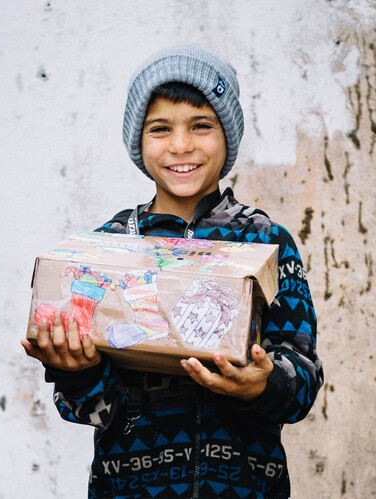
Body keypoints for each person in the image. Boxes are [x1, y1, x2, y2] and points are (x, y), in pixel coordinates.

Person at [22, 45, 323, 498]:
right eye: (160, 129)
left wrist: (263, 384)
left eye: (201, 125)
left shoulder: (265, 241)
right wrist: (77, 372)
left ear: (228, 135)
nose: (181, 146)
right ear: (139, 141)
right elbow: (90, 410)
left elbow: (304, 377)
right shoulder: (108, 250)